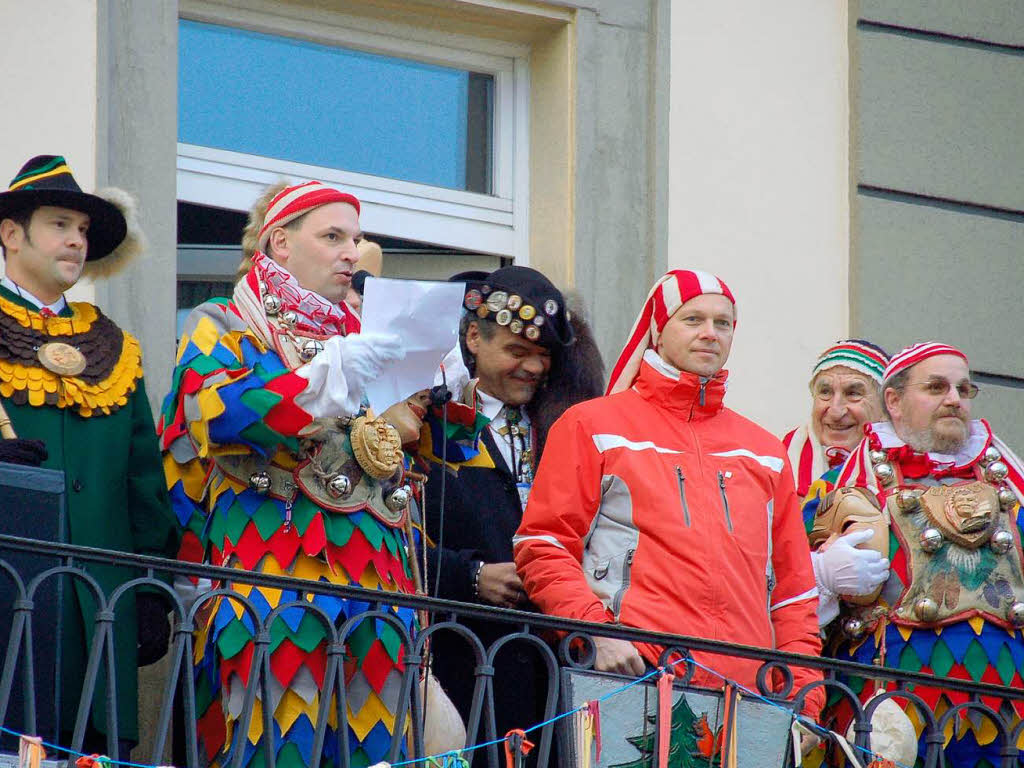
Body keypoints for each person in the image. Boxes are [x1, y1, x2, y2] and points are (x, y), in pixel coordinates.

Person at [160, 179, 420, 768]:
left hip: (378, 579)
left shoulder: (366, 338)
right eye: (332, 236)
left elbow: (443, 445)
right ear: (279, 242)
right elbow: (217, 411)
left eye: (354, 238)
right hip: (270, 571)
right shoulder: (222, 323)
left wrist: (445, 384)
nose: (351, 252)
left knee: (381, 750)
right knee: (278, 744)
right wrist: (321, 378)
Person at [513, 269, 824, 718]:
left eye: (724, 323)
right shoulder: (591, 425)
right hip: (630, 678)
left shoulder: (765, 451)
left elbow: (793, 592)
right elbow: (542, 545)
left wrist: (805, 695)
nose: (710, 334)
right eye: (692, 319)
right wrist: (598, 633)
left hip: (749, 699)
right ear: (657, 330)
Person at [0, 155, 178, 754]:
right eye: (59, 224)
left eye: (82, 229)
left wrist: (151, 592)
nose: (76, 240)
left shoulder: (114, 346)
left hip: (99, 619)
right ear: (11, 233)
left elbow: (143, 488)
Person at [805, 341, 1024, 766]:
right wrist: (823, 578)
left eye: (964, 389)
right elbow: (783, 592)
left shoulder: (1013, 491)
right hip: (886, 711)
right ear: (894, 400)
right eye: (937, 387)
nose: (954, 399)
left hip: (1006, 715)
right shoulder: (843, 488)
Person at [419, 265, 604, 746]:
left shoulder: (569, 428)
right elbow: (390, 546)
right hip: (460, 663)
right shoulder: (423, 427)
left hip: (554, 677)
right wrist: (471, 576)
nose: (534, 368)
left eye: (544, 356)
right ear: (474, 338)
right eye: (517, 352)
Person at [782, 339, 889, 498]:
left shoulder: (906, 466)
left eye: (853, 394)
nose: (836, 411)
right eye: (825, 392)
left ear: (885, 406)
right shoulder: (778, 459)